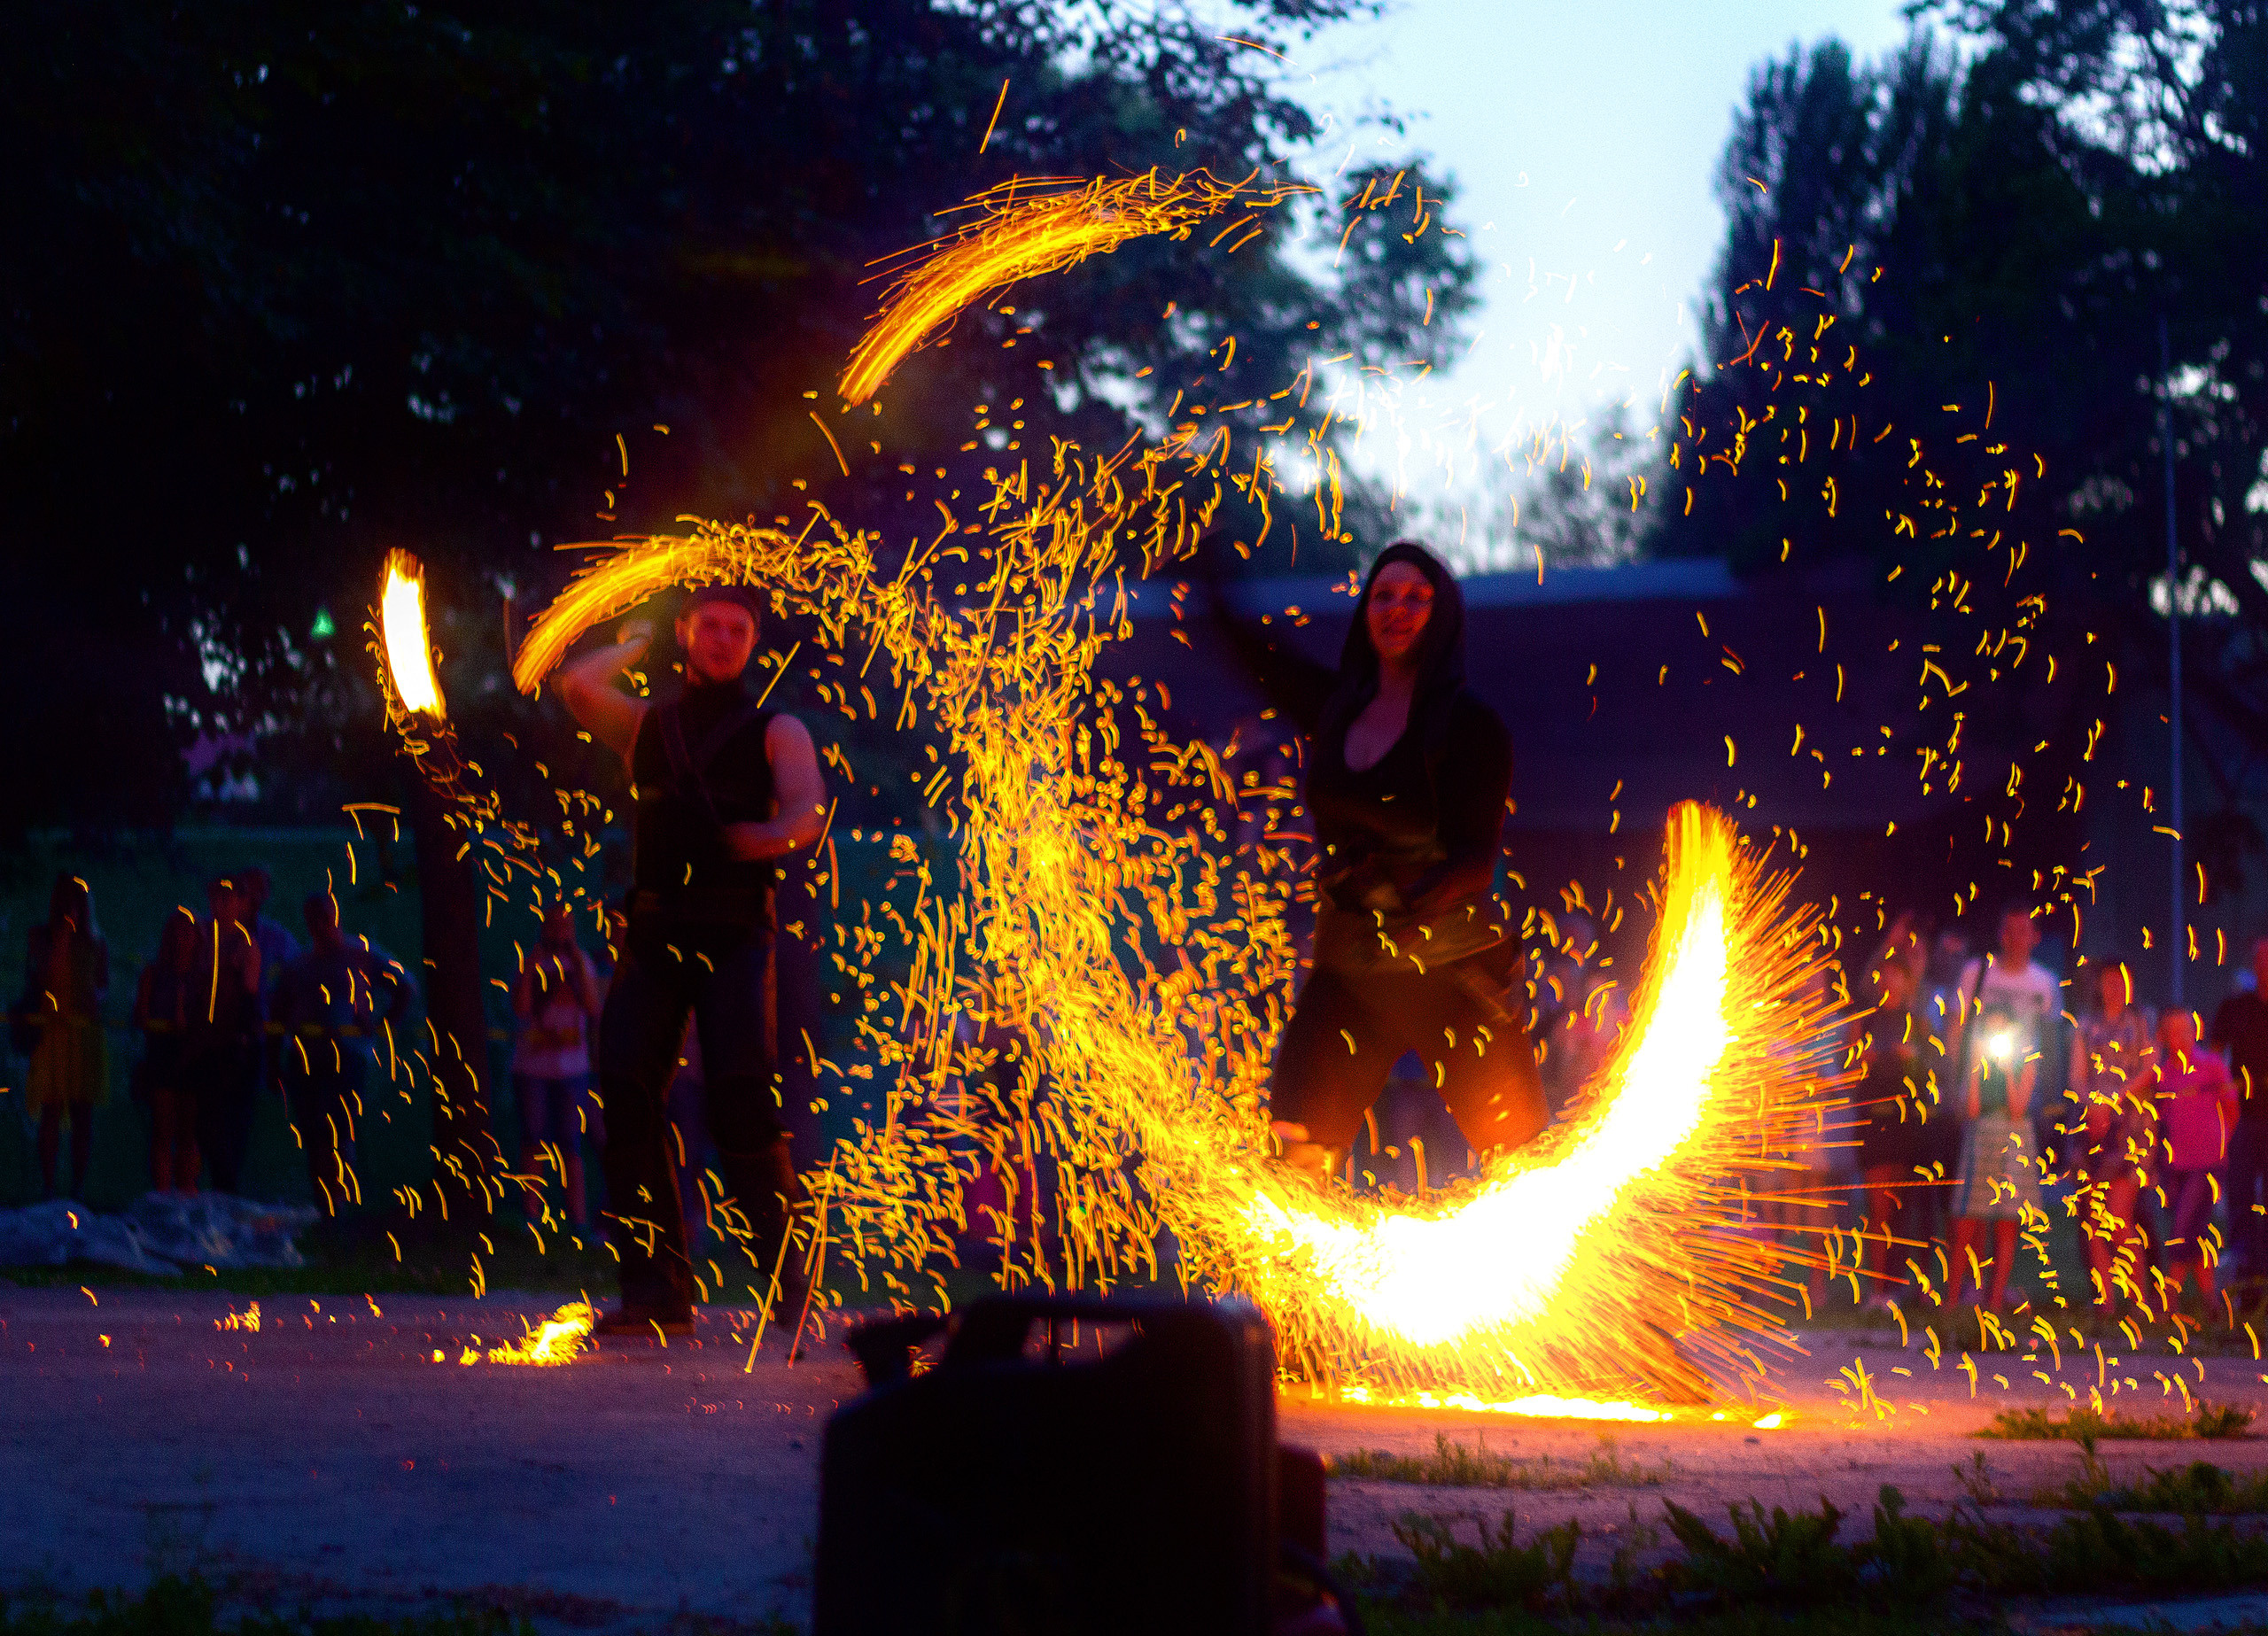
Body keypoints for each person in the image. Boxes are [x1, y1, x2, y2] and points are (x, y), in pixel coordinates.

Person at [1211, 540, 1546, 1185]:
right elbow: (1260, 659)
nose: (1398, 610)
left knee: (1523, 1169)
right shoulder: (1338, 708)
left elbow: (1477, 859)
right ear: (1366, 609)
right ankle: (1292, 1287)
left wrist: (1408, 897)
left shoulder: (1473, 728)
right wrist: (1207, 580)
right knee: (1293, 1155)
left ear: (1442, 614)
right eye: (1384, 595)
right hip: (1350, 973)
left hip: (1449, 972)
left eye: (1417, 598)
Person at [553, 583, 827, 1335]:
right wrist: (634, 642)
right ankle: (655, 1294)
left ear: (753, 642)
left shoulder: (780, 729)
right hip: (653, 936)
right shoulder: (647, 725)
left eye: (738, 629)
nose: (723, 638)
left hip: (737, 936)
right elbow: (576, 684)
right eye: (709, 624)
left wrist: (767, 838)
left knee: (742, 1102)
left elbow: (809, 811)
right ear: (685, 632)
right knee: (630, 1097)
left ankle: (786, 1286)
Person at [274, 892, 416, 1215]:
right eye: (313, 920)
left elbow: (406, 986)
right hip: (305, 1057)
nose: (319, 926)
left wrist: (382, 1026)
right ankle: (325, 1208)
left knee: (337, 1130)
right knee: (312, 1131)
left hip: (345, 1056)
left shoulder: (359, 955)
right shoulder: (301, 964)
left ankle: (342, 1205)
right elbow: (281, 1008)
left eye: (322, 918)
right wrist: (275, 1056)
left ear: (332, 918)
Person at [2069, 958, 2155, 1314]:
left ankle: (2141, 1299)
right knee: (2094, 1218)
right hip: (2094, 1127)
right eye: (2107, 981)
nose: (2114, 987)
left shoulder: (2142, 1021)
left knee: (2120, 1217)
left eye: (2119, 979)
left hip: (2131, 1131)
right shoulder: (2086, 1026)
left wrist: (2116, 1099)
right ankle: (2106, 1302)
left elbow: (2151, 1068)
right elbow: (2076, 1075)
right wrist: (2093, 1104)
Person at [512, 901, 605, 1229]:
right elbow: (521, 1008)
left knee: (571, 1143)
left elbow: (593, 1007)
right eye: (553, 924)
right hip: (531, 1066)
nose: (559, 931)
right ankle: (531, 1217)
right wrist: (530, 969)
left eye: (565, 925)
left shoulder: (583, 963)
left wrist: (578, 965)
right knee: (533, 1137)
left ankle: (576, 1220)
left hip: (573, 1068)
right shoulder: (530, 961)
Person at [1855, 946, 1938, 1300]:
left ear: (1907, 982)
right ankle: (1877, 1291)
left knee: (1903, 1204)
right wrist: (1871, 1058)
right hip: (1874, 1121)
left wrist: (1914, 1059)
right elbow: (1852, 1067)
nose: (1889, 981)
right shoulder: (1866, 1021)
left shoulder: (1917, 1022)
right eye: (1884, 974)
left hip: (1907, 1123)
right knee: (1879, 1208)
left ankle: (1901, 1284)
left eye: (1897, 975)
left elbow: (1932, 1068)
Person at [19, 873, 110, 1198]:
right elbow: (39, 976)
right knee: (52, 1109)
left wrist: (97, 998)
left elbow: (103, 984)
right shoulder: (42, 937)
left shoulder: (96, 942)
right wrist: (60, 941)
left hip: (83, 1034)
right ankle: (47, 1185)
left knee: (83, 1113)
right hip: (53, 1032)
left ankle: (77, 1187)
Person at [1946, 1001, 2041, 1310]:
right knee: (1966, 1221)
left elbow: (2017, 1109)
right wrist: (1975, 1070)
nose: (1996, 1033)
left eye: (2003, 1027)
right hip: (1980, 1136)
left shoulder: (2026, 1061)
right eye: (1991, 1028)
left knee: (2006, 1222)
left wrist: (2008, 1072)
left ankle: (1996, 1297)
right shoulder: (1976, 1060)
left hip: (2013, 1138)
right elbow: (1970, 1110)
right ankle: (1953, 1298)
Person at [2149, 1007, 2239, 1306]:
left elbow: (2231, 1108)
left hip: (2208, 1162)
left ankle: (2169, 1298)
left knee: (2182, 1228)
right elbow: (2162, 1118)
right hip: (2176, 1163)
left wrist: (2222, 1146)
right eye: (2172, 1031)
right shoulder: (2163, 1074)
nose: (2179, 1038)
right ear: (2162, 1036)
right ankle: (2211, 1300)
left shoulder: (2212, 1066)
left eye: (2185, 1030)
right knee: (2195, 1230)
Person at [182, 877, 263, 1194]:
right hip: (204, 1043)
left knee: (225, 1124)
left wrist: (237, 1036)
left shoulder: (244, 944)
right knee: (205, 1124)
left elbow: (246, 995)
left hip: (227, 1046)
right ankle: (216, 1190)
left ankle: (226, 1191)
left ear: (240, 904)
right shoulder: (204, 937)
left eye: (228, 900)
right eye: (217, 899)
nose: (221, 906)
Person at [133, 908, 203, 1193]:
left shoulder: (203, 976)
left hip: (193, 1055)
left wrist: (189, 1023)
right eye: (176, 932)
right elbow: (140, 1014)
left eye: (187, 933)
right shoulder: (154, 973)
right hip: (162, 1054)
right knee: (163, 1128)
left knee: (189, 1130)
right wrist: (162, 1022)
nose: (181, 939)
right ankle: (163, 1194)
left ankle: (187, 1191)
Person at [2210, 936, 2268, 1278]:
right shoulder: (2236, 1007)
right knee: (2241, 1190)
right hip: (2243, 1115)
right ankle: (2243, 1263)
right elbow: (2214, 1053)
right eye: (2261, 961)